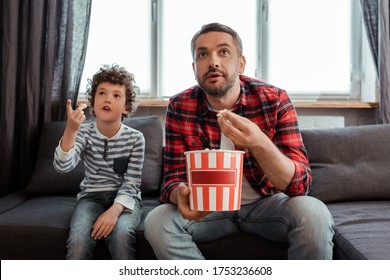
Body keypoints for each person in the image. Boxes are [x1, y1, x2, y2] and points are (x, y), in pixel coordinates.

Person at [144, 23, 334, 260]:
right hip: (208, 211)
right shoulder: (179, 105)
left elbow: (299, 185)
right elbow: (172, 179)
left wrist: (259, 142)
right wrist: (180, 194)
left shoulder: (274, 99)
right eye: (203, 54)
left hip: (267, 205)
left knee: (314, 212)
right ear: (194, 68)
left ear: (241, 63)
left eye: (223, 52)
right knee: (157, 220)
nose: (213, 62)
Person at [53, 64, 145, 260]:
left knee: (121, 236)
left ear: (126, 107)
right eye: (102, 93)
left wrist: (115, 211)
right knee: (78, 240)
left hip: (125, 201)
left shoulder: (136, 139)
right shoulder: (83, 133)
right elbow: (62, 166)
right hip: (91, 197)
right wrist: (71, 130)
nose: (107, 99)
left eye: (116, 95)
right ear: (93, 102)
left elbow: (132, 183)